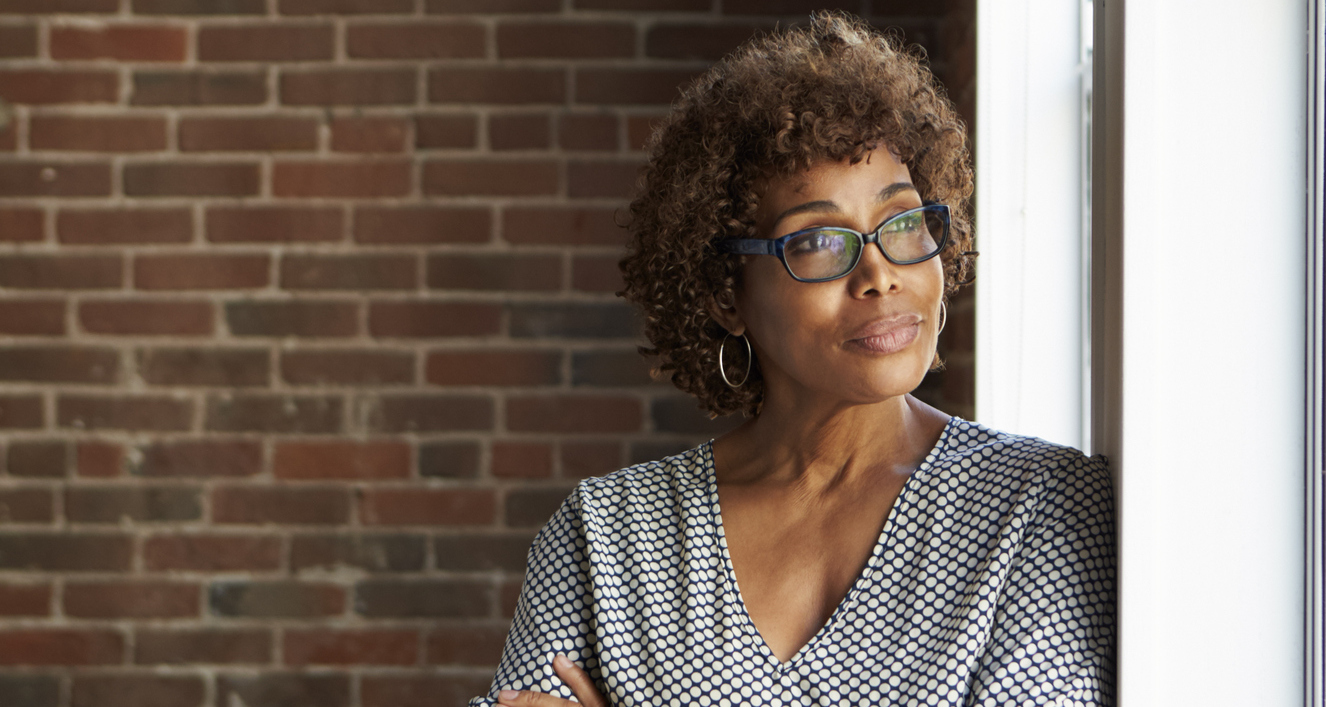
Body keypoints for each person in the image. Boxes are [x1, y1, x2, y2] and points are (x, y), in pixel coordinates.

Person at [473, 12, 1115, 706]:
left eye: (902, 222)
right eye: (816, 240)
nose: (879, 272)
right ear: (727, 295)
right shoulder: (606, 535)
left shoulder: (1039, 507)